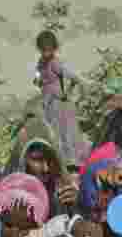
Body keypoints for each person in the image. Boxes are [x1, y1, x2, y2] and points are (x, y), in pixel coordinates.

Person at [34, 30, 89, 169]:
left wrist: (67, 93)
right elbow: (38, 75)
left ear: (54, 48)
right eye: (44, 50)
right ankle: (59, 161)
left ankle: (72, 163)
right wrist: (38, 80)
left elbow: (74, 78)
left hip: (60, 104)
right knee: (52, 132)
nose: (46, 53)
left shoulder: (55, 64)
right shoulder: (41, 62)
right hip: (48, 102)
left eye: (49, 50)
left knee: (65, 132)